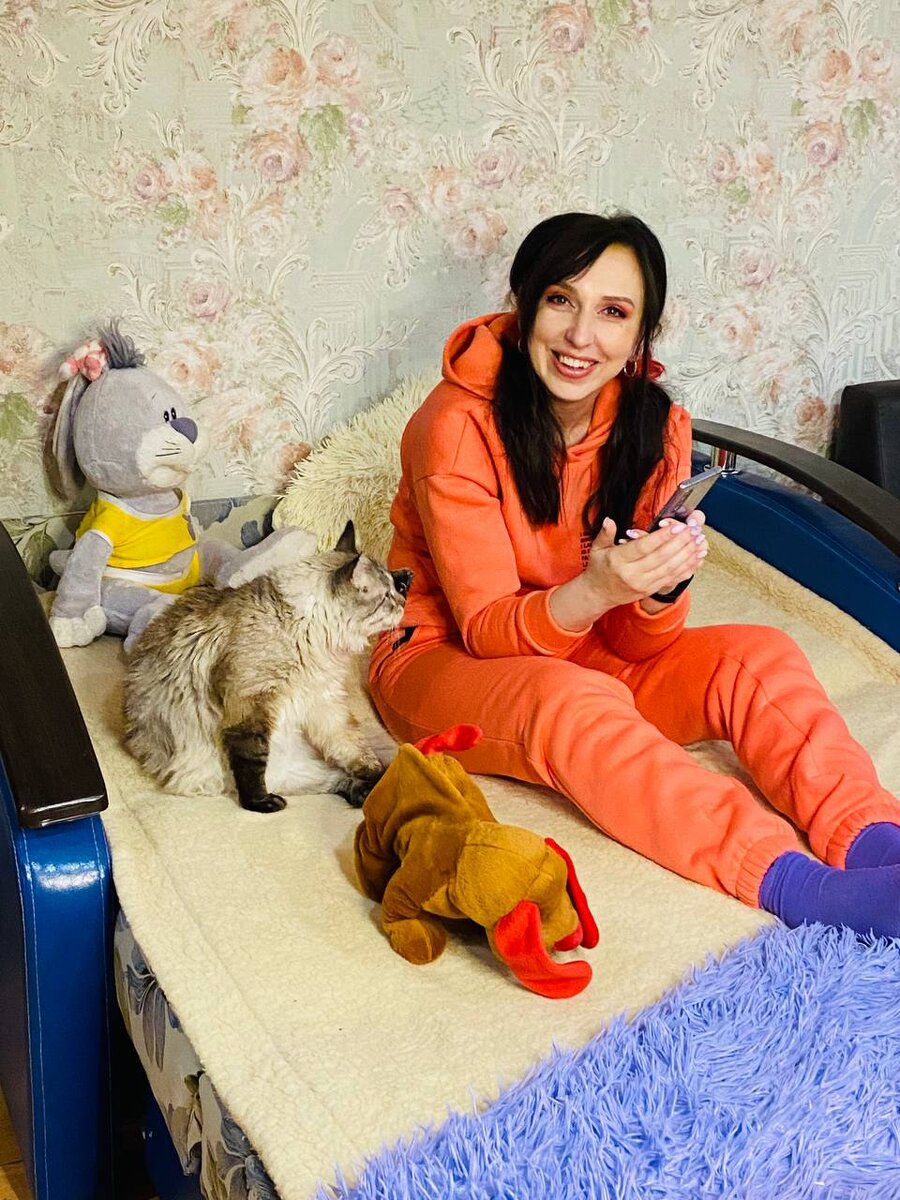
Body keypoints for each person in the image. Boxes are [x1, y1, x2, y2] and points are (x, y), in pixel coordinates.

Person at [368, 211, 900, 939]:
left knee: (761, 655)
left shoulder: (653, 428)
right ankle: (800, 886)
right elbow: (488, 629)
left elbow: (640, 646)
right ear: (524, 306)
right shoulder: (454, 427)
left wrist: (659, 590)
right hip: (444, 656)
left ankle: (874, 841)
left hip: (582, 644)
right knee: (573, 700)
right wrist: (597, 590)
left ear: (641, 333)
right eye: (561, 300)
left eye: (613, 312)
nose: (580, 336)